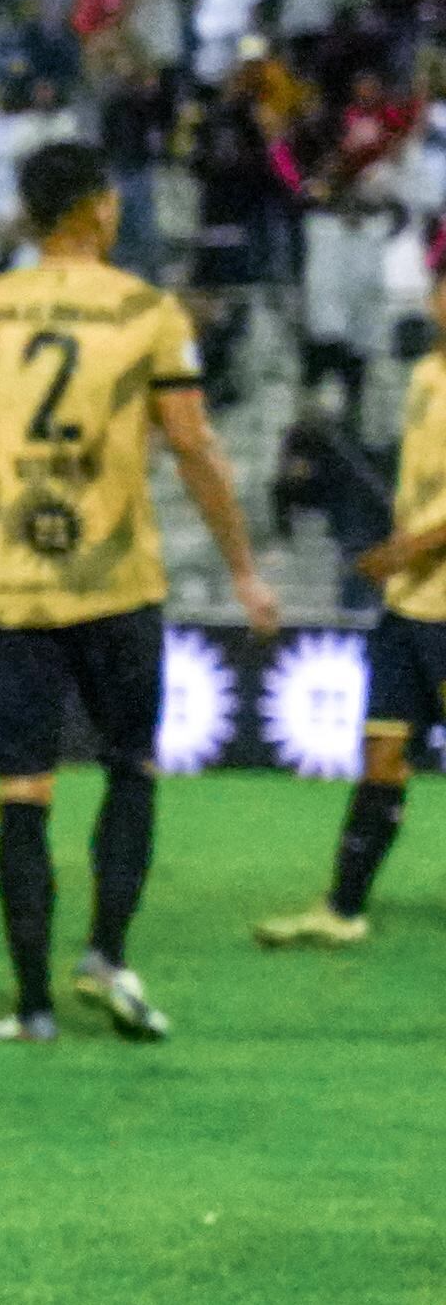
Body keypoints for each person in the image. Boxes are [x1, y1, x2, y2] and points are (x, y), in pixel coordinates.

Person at [0, 140, 281, 1045]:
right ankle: (107, 954)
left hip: (15, 584)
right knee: (131, 765)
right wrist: (243, 566)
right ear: (96, 208)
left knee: (22, 790)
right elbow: (193, 444)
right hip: (118, 579)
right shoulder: (146, 310)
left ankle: (33, 1007)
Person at [261, 267, 446, 946]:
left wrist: (402, 551)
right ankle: (342, 908)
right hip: (408, 607)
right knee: (382, 754)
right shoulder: (426, 376)